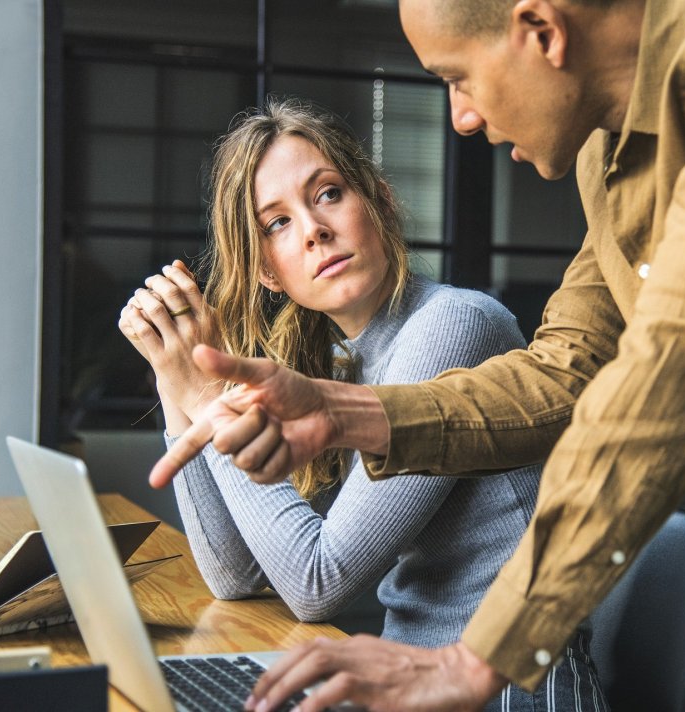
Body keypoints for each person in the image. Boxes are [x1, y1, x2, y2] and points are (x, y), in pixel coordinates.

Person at [152, 0, 685, 709]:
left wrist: (480, 659)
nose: (462, 118)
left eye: (456, 77)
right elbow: (564, 373)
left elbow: (674, 376)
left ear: (540, 30)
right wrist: (334, 412)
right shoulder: (609, 158)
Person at [118, 98, 607, 711]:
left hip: (507, 692)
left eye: (326, 194)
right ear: (269, 273)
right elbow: (234, 578)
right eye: (277, 224)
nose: (314, 230)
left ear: (378, 201)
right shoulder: (345, 359)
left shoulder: (454, 325)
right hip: (409, 684)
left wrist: (208, 396)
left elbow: (315, 582)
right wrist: (176, 380)